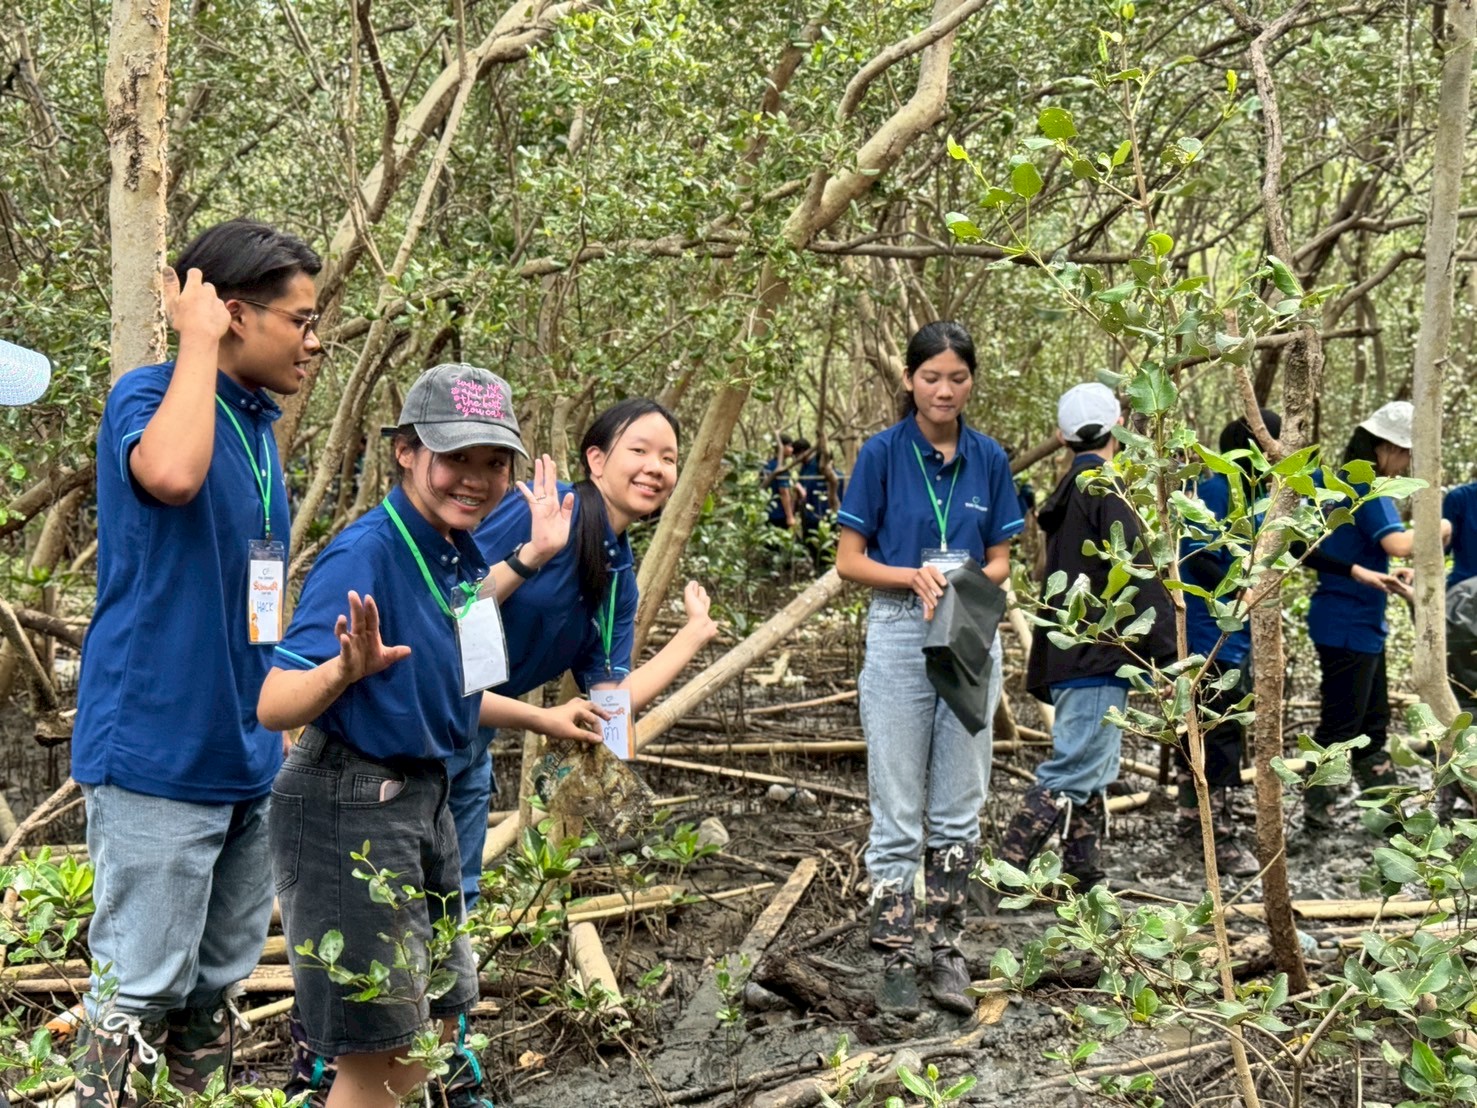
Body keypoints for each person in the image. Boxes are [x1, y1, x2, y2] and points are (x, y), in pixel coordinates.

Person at [259, 364, 610, 1108]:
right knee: (383, 1055)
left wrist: (532, 558)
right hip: (350, 803)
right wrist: (343, 671)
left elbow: (459, 635)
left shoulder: (455, 547)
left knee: (435, 1030)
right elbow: (273, 703)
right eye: (456, 458)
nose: (475, 480)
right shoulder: (365, 553)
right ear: (406, 451)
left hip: (425, 793)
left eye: (494, 462)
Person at [69, 220, 321, 1104]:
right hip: (155, 750)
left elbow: (258, 588)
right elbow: (171, 476)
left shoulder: (257, 430)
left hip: (243, 750)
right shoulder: (148, 395)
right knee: (138, 988)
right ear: (234, 313)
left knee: (213, 988)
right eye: (301, 321)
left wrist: (271, 711)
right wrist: (195, 341)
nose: (314, 342)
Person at [446, 397, 720, 907]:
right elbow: (450, 604)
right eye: (639, 450)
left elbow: (611, 706)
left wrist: (693, 634)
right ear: (596, 459)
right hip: (414, 720)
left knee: (457, 900)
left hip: (472, 737)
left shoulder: (618, 579)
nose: (655, 468)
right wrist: (533, 555)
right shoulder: (546, 510)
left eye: (668, 458)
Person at [835, 320, 1023, 1017]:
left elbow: (1001, 558)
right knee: (896, 801)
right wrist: (910, 577)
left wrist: (965, 579)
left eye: (957, 378)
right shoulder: (882, 454)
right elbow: (849, 560)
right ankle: (893, 951)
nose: (944, 390)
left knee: (959, 799)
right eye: (931, 377)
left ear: (972, 382)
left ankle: (946, 946)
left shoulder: (989, 458)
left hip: (968, 629)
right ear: (910, 380)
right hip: (897, 628)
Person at [1000, 383, 1175, 895]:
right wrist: (1169, 656)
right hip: (1095, 655)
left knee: (1095, 768)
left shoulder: (1070, 491)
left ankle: (1084, 876)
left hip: (1074, 653)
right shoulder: (1103, 488)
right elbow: (1136, 570)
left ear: (1062, 437)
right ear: (1119, 426)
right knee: (1074, 769)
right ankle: (997, 877)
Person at [1303, 400, 1450, 832]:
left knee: (1372, 721)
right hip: (1348, 624)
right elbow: (1398, 544)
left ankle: (1388, 817)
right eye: (1406, 456)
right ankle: (1316, 808)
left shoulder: (1340, 481)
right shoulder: (1366, 484)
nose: (1405, 466)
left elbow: (1351, 549)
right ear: (1388, 447)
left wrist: (1379, 572)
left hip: (1355, 621)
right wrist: (1441, 527)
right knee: (1342, 724)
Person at [761, 433, 797, 532]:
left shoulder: (767, 465)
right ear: (782, 447)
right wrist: (790, 516)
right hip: (779, 514)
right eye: (789, 446)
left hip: (767, 512)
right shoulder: (781, 469)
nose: (792, 449)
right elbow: (783, 492)